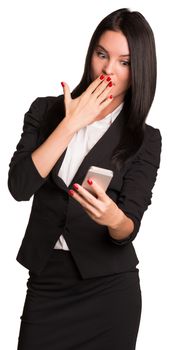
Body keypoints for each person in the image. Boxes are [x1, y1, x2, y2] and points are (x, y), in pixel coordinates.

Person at [8, 8, 161, 350]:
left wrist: (113, 219)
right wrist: (71, 125)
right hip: (47, 282)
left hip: (108, 290)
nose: (109, 69)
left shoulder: (145, 139)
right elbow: (19, 187)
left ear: (139, 71)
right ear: (91, 53)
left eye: (125, 61)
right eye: (102, 55)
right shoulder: (45, 111)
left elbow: (128, 226)